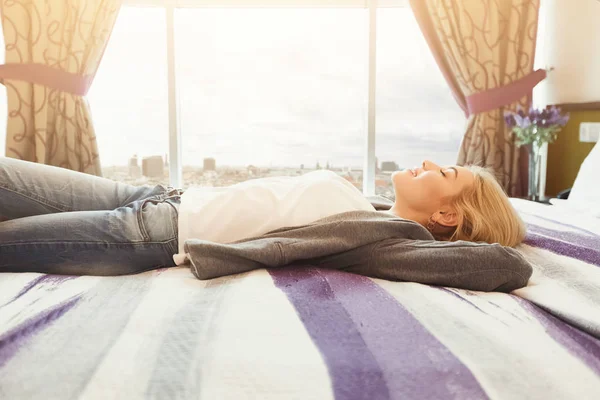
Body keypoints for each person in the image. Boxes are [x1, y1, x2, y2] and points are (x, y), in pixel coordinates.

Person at [0, 156, 525, 277]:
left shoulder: (388, 237)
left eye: (448, 172)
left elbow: (505, 266)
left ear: (449, 213)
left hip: (147, 233)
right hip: (157, 194)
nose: (431, 162)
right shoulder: (369, 204)